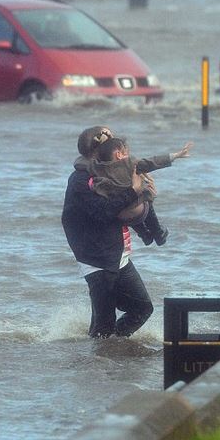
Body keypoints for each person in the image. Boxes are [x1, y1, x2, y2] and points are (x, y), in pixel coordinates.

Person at [61, 126, 157, 339]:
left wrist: (147, 228)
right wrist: (133, 190)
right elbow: (105, 213)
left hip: (118, 257)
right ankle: (100, 364)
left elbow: (126, 211)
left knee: (142, 309)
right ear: (99, 151)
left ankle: (115, 350)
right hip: (97, 261)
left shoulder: (110, 174)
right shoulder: (81, 181)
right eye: (113, 145)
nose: (120, 151)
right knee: (103, 328)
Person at [89, 137, 193, 246]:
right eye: (126, 153)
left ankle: (145, 236)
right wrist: (175, 155)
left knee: (128, 202)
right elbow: (152, 162)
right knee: (145, 195)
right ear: (119, 155)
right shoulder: (129, 163)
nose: (128, 156)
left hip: (119, 215)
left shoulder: (97, 169)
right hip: (138, 211)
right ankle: (158, 233)